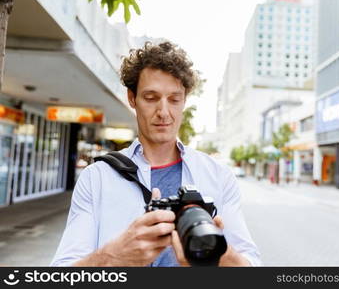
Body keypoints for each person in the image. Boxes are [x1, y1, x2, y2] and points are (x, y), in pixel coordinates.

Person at [51, 41, 260, 267]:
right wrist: (114, 256)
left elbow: (252, 266)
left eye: (174, 99)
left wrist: (218, 255)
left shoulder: (218, 176)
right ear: (132, 98)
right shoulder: (97, 178)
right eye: (151, 98)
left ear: (184, 101)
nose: (163, 112)